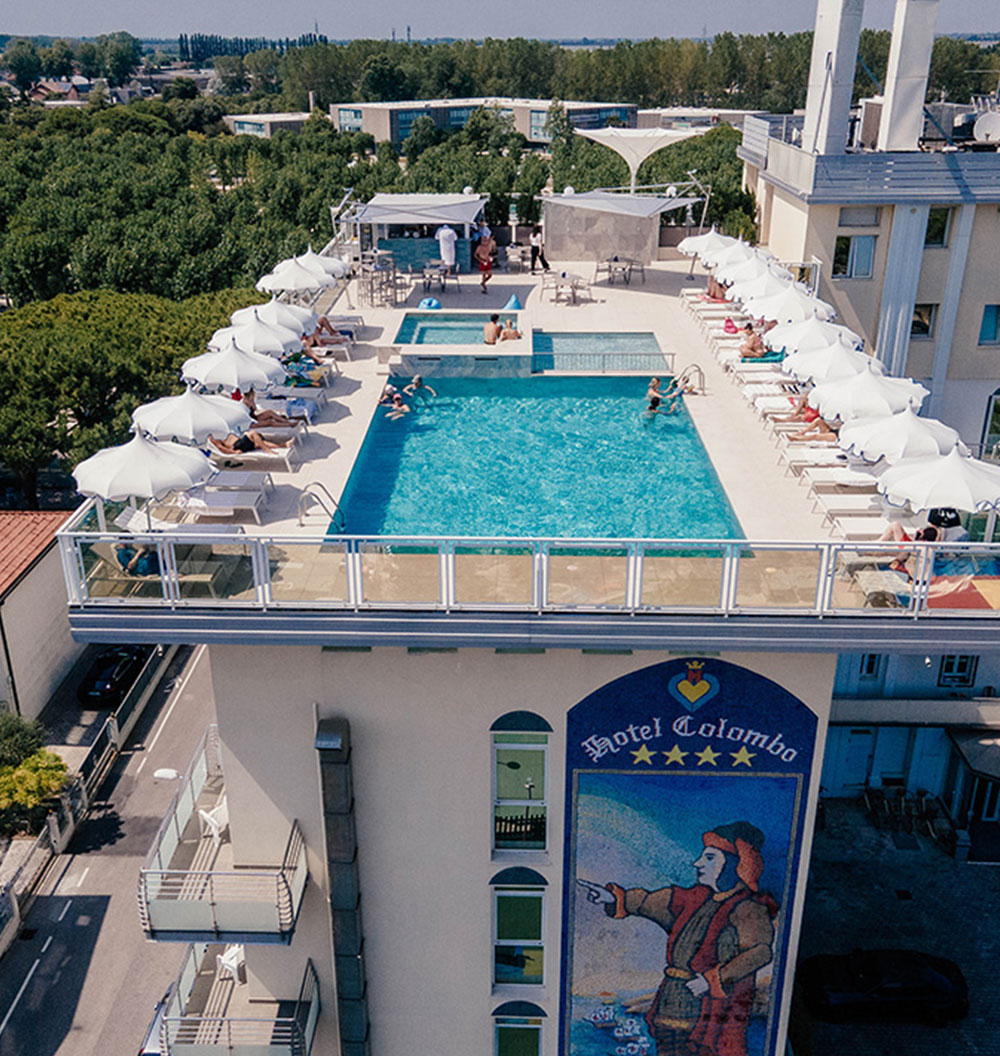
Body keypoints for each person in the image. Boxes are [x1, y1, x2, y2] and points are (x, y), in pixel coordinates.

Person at [579, 821, 777, 1056]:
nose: (698, 864)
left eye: (710, 858)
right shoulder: (693, 899)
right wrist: (612, 898)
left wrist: (713, 979)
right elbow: (649, 902)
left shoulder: (747, 909)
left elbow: (760, 952)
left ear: (736, 865)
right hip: (671, 1004)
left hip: (708, 1009)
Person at [208, 431, 292, 456]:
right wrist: (234, 452)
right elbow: (220, 448)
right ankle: (267, 450)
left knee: (259, 441)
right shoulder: (212, 436)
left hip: (241, 443)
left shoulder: (221, 428)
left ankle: (283, 445)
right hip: (236, 446)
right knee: (252, 433)